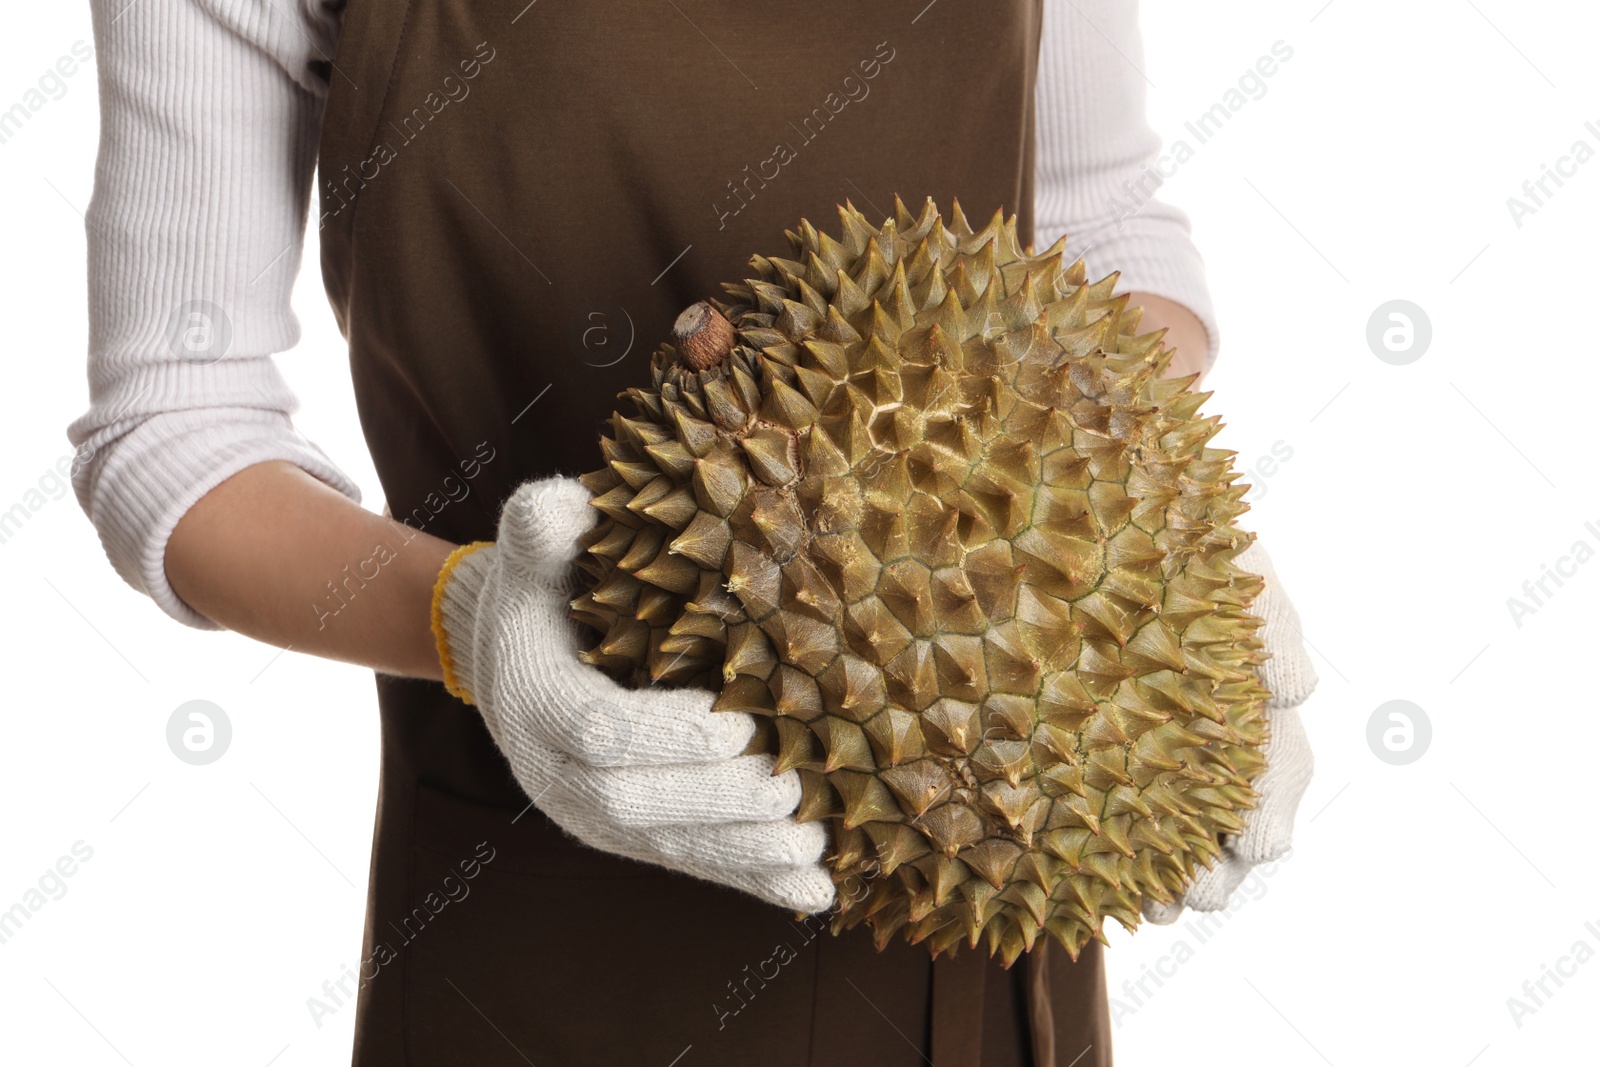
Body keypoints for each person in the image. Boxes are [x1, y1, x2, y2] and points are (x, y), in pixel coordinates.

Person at [70, 1, 1316, 1063]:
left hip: (985, 909)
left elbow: (1100, 223)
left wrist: (1136, 503)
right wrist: (472, 621)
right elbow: (177, 423)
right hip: (544, 944)